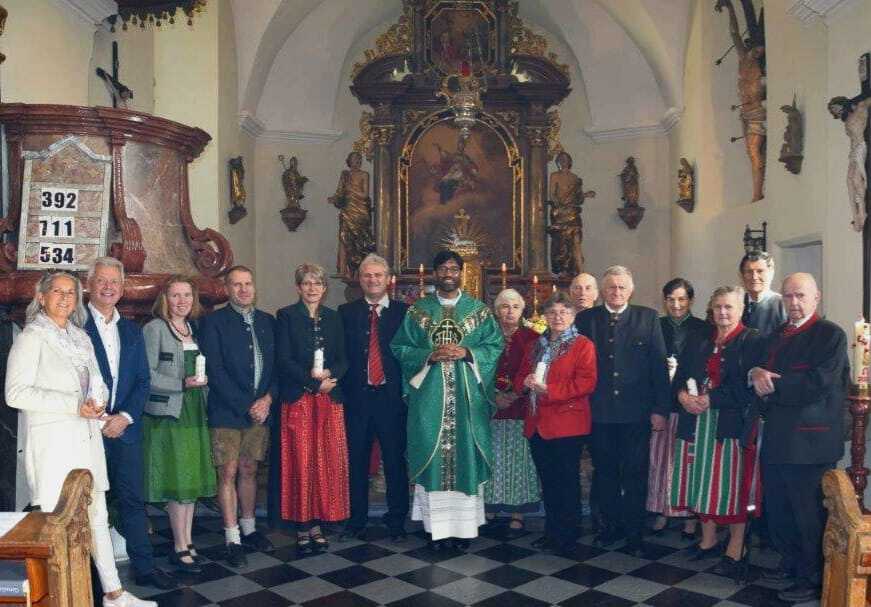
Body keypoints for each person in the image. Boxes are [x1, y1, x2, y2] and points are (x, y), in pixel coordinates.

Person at [7, 272, 156, 607]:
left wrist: (98, 403)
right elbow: (15, 393)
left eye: (70, 293)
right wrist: (74, 405)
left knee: (97, 518)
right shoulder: (32, 337)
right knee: (58, 523)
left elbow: (96, 382)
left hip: (87, 440)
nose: (64, 298)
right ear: (41, 297)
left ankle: (114, 593)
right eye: (57, 292)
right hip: (54, 445)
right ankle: (59, 598)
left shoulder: (79, 336)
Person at [391, 250, 503, 550]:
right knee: (432, 454)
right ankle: (435, 529)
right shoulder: (418, 311)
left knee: (465, 455)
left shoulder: (479, 311)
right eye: (443, 268)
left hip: (467, 401)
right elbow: (400, 347)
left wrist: (468, 352)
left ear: (461, 273)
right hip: (430, 398)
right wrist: (429, 355)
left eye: (454, 268)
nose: (448, 273)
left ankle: (464, 529)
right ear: (435, 273)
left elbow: (494, 346)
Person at [750, 273, 848, 603]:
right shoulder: (777, 334)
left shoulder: (830, 334)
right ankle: (791, 564)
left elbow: (817, 384)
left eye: (800, 295)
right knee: (780, 510)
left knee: (809, 515)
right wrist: (756, 374)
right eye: (788, 296)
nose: (793, 302)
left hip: (810, 443)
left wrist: (770, 383)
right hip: (777, 438)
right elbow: (759, 370)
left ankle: (813, 577)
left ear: (816, 297)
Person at [84, 257, 175, 590]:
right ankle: (89, 575)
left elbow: (142, 380)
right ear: (89, 285)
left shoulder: (132, 330)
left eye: (114, 282)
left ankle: (145, 568)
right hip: (87, 431)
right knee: (88, 505)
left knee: (133, 501)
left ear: (122, 288)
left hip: (126, 430)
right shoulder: (75, 326)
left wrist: (124, 417)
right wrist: (100, 419)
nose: (108, 287)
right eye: (102, 280)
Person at [575, 265, 670, 556]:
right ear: (602, 290)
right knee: (605, 474)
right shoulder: (586, 319)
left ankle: (634, 534)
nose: (616, 292)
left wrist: (660, 409)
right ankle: (609, 528)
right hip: (599, 412)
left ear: (631, 290)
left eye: (622, 287)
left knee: (635, 475)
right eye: (611, 287)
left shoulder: (647, 317)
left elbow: (658, 366)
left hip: (636, 414)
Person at [670, 286, 764, 578]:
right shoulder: (699, 338)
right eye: (718, 307)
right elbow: (680, 376)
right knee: (701, 482)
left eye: (729, 307)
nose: (723, 312)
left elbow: (749, 387)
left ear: (741, 310)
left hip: (731, 425)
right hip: (696, 422)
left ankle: (736, 547)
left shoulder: (753, 340)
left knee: (731, 487)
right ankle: (708, 540)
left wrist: (711, 399)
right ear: (711, 309)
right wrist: (682, 396)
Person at [199, 266, 277, 567]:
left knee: (249, 469)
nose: (243, 290)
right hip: (227, 411)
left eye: (247, 284)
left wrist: (268, 399)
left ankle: (249, 528)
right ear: (227, 289)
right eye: (236, 285)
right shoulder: (213, 322)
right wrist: (248, 405)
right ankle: (232, 537)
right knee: (228, 471)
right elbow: (215, 370)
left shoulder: (268, 321)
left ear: (254, 287)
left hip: (260, 410)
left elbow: (277, 367)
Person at [142, 276, 216, 574]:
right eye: (175, 295)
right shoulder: (154, 329)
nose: (182, 301)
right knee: (177, 479)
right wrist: (181, 383)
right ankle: (179, 546)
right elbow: (146, 375)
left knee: (190, 479)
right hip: (169, 415)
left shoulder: (194, 328)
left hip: (195, 410)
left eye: (187, 295)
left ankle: (188, 540)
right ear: (165, 299)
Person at [275, 263, 350, 554]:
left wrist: (330, 376)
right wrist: (312, 384)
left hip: (329, 398)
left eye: (317, 283)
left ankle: (318, 523)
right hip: (300, 398)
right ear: (298, 287)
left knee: (325, 463)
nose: (312, 288)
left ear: (324, 288)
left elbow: (344, 358)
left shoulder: (334, 317)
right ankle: (302, 526)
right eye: (306, 283)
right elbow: (284, 359)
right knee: (301, 462)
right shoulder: (286, 316)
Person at [516, 292, 596, 556]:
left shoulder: (582, 345)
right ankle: (552, 532)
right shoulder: (536, 345)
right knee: (548, 482)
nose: (558, 317)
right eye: (552, 312)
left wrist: (548, 390)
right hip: (537, 423)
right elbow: (520, 376)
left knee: (567, 482)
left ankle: (568, 535)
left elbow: (585, 383)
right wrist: (525, 382)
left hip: (567, 424)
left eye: (564, 312)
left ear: (573, 316)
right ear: (545, 317)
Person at [338, 254, 409, 542]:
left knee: (395, 462)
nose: (373, 280)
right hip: (357, 399)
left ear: (389, 279)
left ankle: (397, 521)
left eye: (378, 275)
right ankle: (356, 520)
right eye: (367, 275)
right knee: (356, 462)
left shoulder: (405, 313)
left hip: (392, 400)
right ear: (360, 279)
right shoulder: (345, 312)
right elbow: (340, 356)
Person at [647, 278, 708, 538]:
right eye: (671, 299)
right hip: (663, 402)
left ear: (691, 300)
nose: (676, 304)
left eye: (682, 299)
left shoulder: (704, 328)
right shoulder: (656, 326)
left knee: (687, 461)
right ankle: (662, 509)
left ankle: (690, 516)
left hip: (690, 401)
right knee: (661, 461)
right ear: (664, 301)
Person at [484, 289, 540, 534]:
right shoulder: (485, 335)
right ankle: (490, 507)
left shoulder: (533, 337)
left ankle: (518, 512)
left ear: (522, 310)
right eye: (504, 306)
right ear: (496, 311)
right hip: (490, 407)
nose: (509, 311)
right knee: (493, 458)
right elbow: (478, 369)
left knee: (520, 460)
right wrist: (493, 396)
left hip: (522, 407)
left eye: (515, 306)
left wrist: (516, 394)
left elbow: (537, 370)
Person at [739, 251, 785, 337]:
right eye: (749, 272)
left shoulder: (784, 305)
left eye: (760, 271)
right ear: (742, 275)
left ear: (771, 273)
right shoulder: (735, 304)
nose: (754, 277)